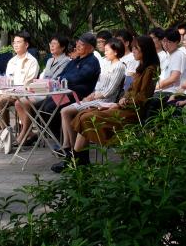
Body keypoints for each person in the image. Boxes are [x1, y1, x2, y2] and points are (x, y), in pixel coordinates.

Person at [55, 36, 161, 172]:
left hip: (132, 113)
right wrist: (123, 99)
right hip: (125, 107)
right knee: (84, 114)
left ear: (145, 50)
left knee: (87, 117)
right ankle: (78, 158)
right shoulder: (141, 68)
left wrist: (120, 103)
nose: (133, 51)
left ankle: (76, 159)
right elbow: (130, 91)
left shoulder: (150, 70)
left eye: (136, 48)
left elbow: (142, 97)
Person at [55, 39, 126, 156]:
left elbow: (109, 91)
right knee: (63, 110)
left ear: (116, 52)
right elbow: (98, 86)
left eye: (107, 50)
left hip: (105, 102)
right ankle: (67, 145)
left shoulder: (119, 66)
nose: (105, 52)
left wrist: (92, 97)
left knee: (65, 111)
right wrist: (91, 96)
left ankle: (73, 150)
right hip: (96, 98)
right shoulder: (107, 64)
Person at [37, 33, 101, 144]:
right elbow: (62, 75)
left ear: (91, 48)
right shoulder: (75, 60)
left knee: (49, 108)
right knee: (39, 106)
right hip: (65, 94)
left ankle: (64, 143)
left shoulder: (92, 61)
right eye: (78, 43)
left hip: (78, 97)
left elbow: (77, 78)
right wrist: (62, 79)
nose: (78, 46)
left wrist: (63, 79)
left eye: (82, 44)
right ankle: (59, 139)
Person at [0, 31, 39, 153]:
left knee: (1, 101)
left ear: (26, 44)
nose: (15, 45)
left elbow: (28, 83)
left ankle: (7, 134)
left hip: (21, 93)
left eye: (18, 42)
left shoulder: (32, 61)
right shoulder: (12, 61)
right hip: (7, 90)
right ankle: (1, 131)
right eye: (14, 42)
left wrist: (11, 90)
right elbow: (8, 79)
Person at [14, 35, 71, 146]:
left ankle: (24, 134)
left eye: (54, 44)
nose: (51, 46)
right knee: (18, 103)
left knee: (23, 102)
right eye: (50, 44)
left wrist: (42, 83)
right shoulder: (50, 60)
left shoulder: (66, 61)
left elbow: (56, 79)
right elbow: (44, 77)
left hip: (53, 93)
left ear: (63, 47)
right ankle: (29, 133)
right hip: (41, 89)